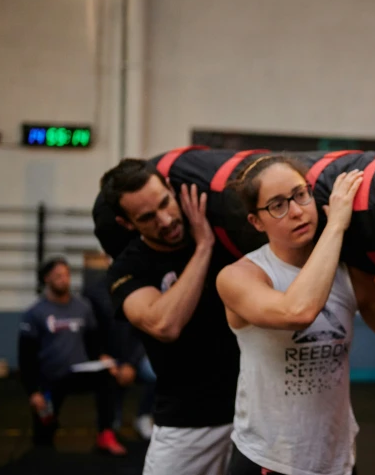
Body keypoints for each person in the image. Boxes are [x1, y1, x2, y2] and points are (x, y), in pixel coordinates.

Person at [216, 157, 375, 475]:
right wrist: (336, 225)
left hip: (337, 458)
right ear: (256, 222)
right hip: (269, 459)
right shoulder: (240, 277)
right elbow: (298, 310)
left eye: (300, 194)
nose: (295, 210)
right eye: (278, 205)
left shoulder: (351, 274)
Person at [102, 159, 240, 475]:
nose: (165, 220)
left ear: (170, 188)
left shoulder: (227, 235)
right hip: (188, 421)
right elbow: (164, 325)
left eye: (165, 203)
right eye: (147, 218)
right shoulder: (127, 270)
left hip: (253, 413)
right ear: (127, 223)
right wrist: (203, 247)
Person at [17, 256, 126, 455]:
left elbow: (93, 341)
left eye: (66, 275)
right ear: (46, 279)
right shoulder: (35, 313)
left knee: (108, 378)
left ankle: (106, 433)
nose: (64, 279)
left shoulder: (82, 307)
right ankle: (44, 441)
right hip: (50, 377)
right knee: (42, 436)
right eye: (58, 276)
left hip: (78, 372)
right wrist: (33, 391)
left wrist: (102, 357)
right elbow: (26, 357)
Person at [81, 252, 156, 439]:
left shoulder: (141, 288)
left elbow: (144, 331)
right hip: (107, 358)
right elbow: (90, 331)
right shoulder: (93, 292)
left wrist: (131, 363)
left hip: (134, 356)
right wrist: (103, 357)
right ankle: (112, 420)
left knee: (157, 374)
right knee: (109, 392)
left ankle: (144, 416)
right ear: (107, 258)